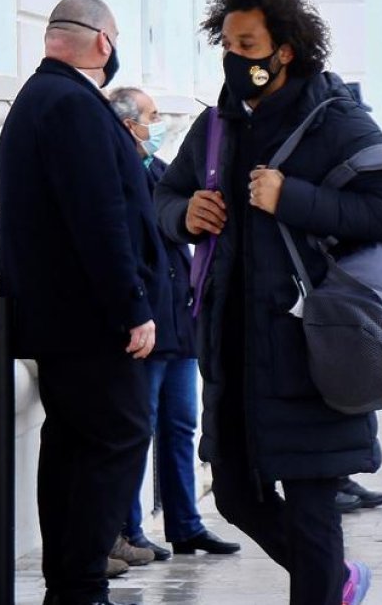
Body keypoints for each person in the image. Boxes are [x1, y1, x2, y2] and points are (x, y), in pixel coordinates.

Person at [154, 0, 382, 605]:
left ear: (284, 50)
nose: (235, 59)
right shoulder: (217, 126)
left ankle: (326, 582)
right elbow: (163, 195)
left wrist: (291, 198)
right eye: (228, 45)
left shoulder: (337, 120)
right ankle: (338, 582)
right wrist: (184, 215)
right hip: (233, 355)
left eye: (247, 46)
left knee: (314, 509)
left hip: (310, 350)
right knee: (237, 496)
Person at [0, 0, 173, 605]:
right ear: (103, 41)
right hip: (90, 320)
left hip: (61, 319)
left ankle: (71, 583)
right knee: (116, 438)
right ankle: (81, 584)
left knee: (73, 445)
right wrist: (133, 306)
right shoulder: (72, 104)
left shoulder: (41, 97)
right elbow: (100, 218)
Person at [108, 87, 243, 560]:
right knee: (137, 430)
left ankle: (185, 525)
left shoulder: (163, 173)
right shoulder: (116, 176)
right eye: (151, 115)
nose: (159, 121)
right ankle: (128, 530)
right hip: (145, 328)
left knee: (181, 426)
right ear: (128, 125)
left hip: (179, 323)